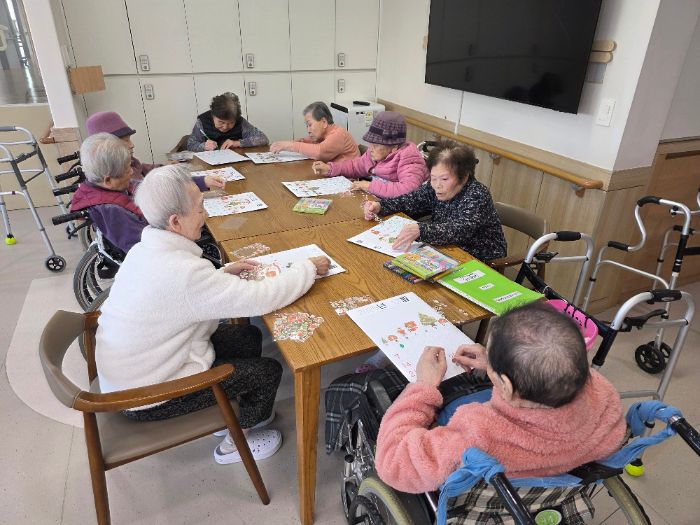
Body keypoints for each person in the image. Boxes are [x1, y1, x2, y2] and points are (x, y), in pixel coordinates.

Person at [95, 164, 331, 465]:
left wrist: (220, 275)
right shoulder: (183, 273)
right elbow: (261, 299)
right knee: (267, 372)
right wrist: (307, 269)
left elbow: (181, 295)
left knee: (247, 335)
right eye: (199, 208)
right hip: (145, 395)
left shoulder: (145, 250)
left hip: (135, 370)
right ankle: (237, 442)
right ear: (175, 221)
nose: (205, 214)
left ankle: (233, 413)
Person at [374, 302, 626, 494]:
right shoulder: (604, 395)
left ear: (506, 385)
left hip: (489, 482)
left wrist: (423, 386)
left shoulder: (478, 433)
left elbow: (393, 465)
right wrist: (498, 364)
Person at [70, 133, 224, 253]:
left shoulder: (115, 186)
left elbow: (161, 187)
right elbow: (143, 245)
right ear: (108, 180)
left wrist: (202, 181)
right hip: (164, 249)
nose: (132, 172)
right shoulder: (110, 210)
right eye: (127, 170)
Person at [362, 140, 506, 263]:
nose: (437, 185)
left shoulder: (477, 194)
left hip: (479, 258)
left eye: (444, 179)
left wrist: (421, 230)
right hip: (446, 249)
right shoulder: (434, 186)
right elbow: (411, 200)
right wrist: (380, 206)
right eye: (433, 178)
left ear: (464, 177)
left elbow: (460, 230)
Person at [310, 112, 428, 198]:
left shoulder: (409, 159)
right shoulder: (375, 153)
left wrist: (369, 186)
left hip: (402, 212)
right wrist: (330, 168)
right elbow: (355, 167)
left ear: (394, 148)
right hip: (377, 201)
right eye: (371, 143)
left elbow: (408, 190)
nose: (370, 148)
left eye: (376, 145)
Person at [269, 101, 359, 162]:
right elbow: (308, 142)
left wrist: (289, 145)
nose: (308, 130)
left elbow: (320, 152)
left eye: (310, 125)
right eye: (307, 126)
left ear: (324, 122)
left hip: (348, 181)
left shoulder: (339, 134)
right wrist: (300, 141)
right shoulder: (323, 135)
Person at [86, 111, 159, 181]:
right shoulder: (118, 179)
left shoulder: (130, 163)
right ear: (106, 148)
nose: (132, 145)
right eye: (126, 141)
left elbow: (140, 168)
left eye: (129, 139)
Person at [187, 92, 269, 152]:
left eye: (231, 123)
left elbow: (263, 139)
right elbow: (190, 145)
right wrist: (203, 146)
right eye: (221, 122)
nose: (225, 127)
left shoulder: (240, 122)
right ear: (212, 115)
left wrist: (237, 143)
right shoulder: (202, 121)